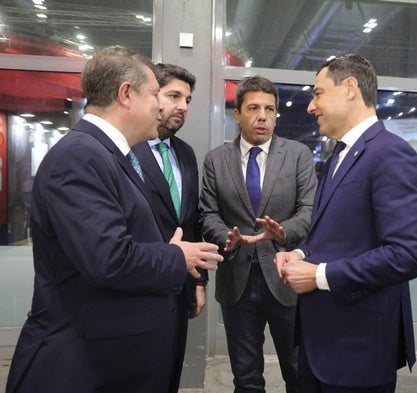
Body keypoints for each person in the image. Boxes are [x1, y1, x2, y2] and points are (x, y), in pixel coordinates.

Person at [6, 46, 223, 393]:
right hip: (83, 365)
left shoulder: (108, 155)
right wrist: (177, 256)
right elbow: (109, 259)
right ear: (126, 94)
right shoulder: (80, 157)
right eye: (155, 94)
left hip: (113, 355)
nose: (162, 106)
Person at [275, 54, 417, 393]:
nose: (310, 107)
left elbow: (406, 255)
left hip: (357, 350)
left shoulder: (390, 154)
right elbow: (338, 234)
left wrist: (318, 275)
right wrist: (300, 255)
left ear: (349, 89)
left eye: (317, 93)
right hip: (320, 345)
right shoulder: (337, 157)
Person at [199, 75, 317, 393]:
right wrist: (227, 238)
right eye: (253, 108)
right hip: (236, 281)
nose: (262, 116)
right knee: (246, 379)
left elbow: (308, 211)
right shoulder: (216, 160)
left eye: (269, 108)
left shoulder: (298, 155)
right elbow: (208, 213)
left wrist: (282, 233)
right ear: (237, 114)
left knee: (299, 373)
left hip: (286, 278)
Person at [132, 63, 206, 393]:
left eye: (188, 100)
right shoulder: (125, 152)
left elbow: (189, 223)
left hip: (179, 288)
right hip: (137, 289)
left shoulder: (186, 154)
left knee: (169, 375)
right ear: (150, 95)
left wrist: (198, 281)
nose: (183, 107)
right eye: (174, 96)